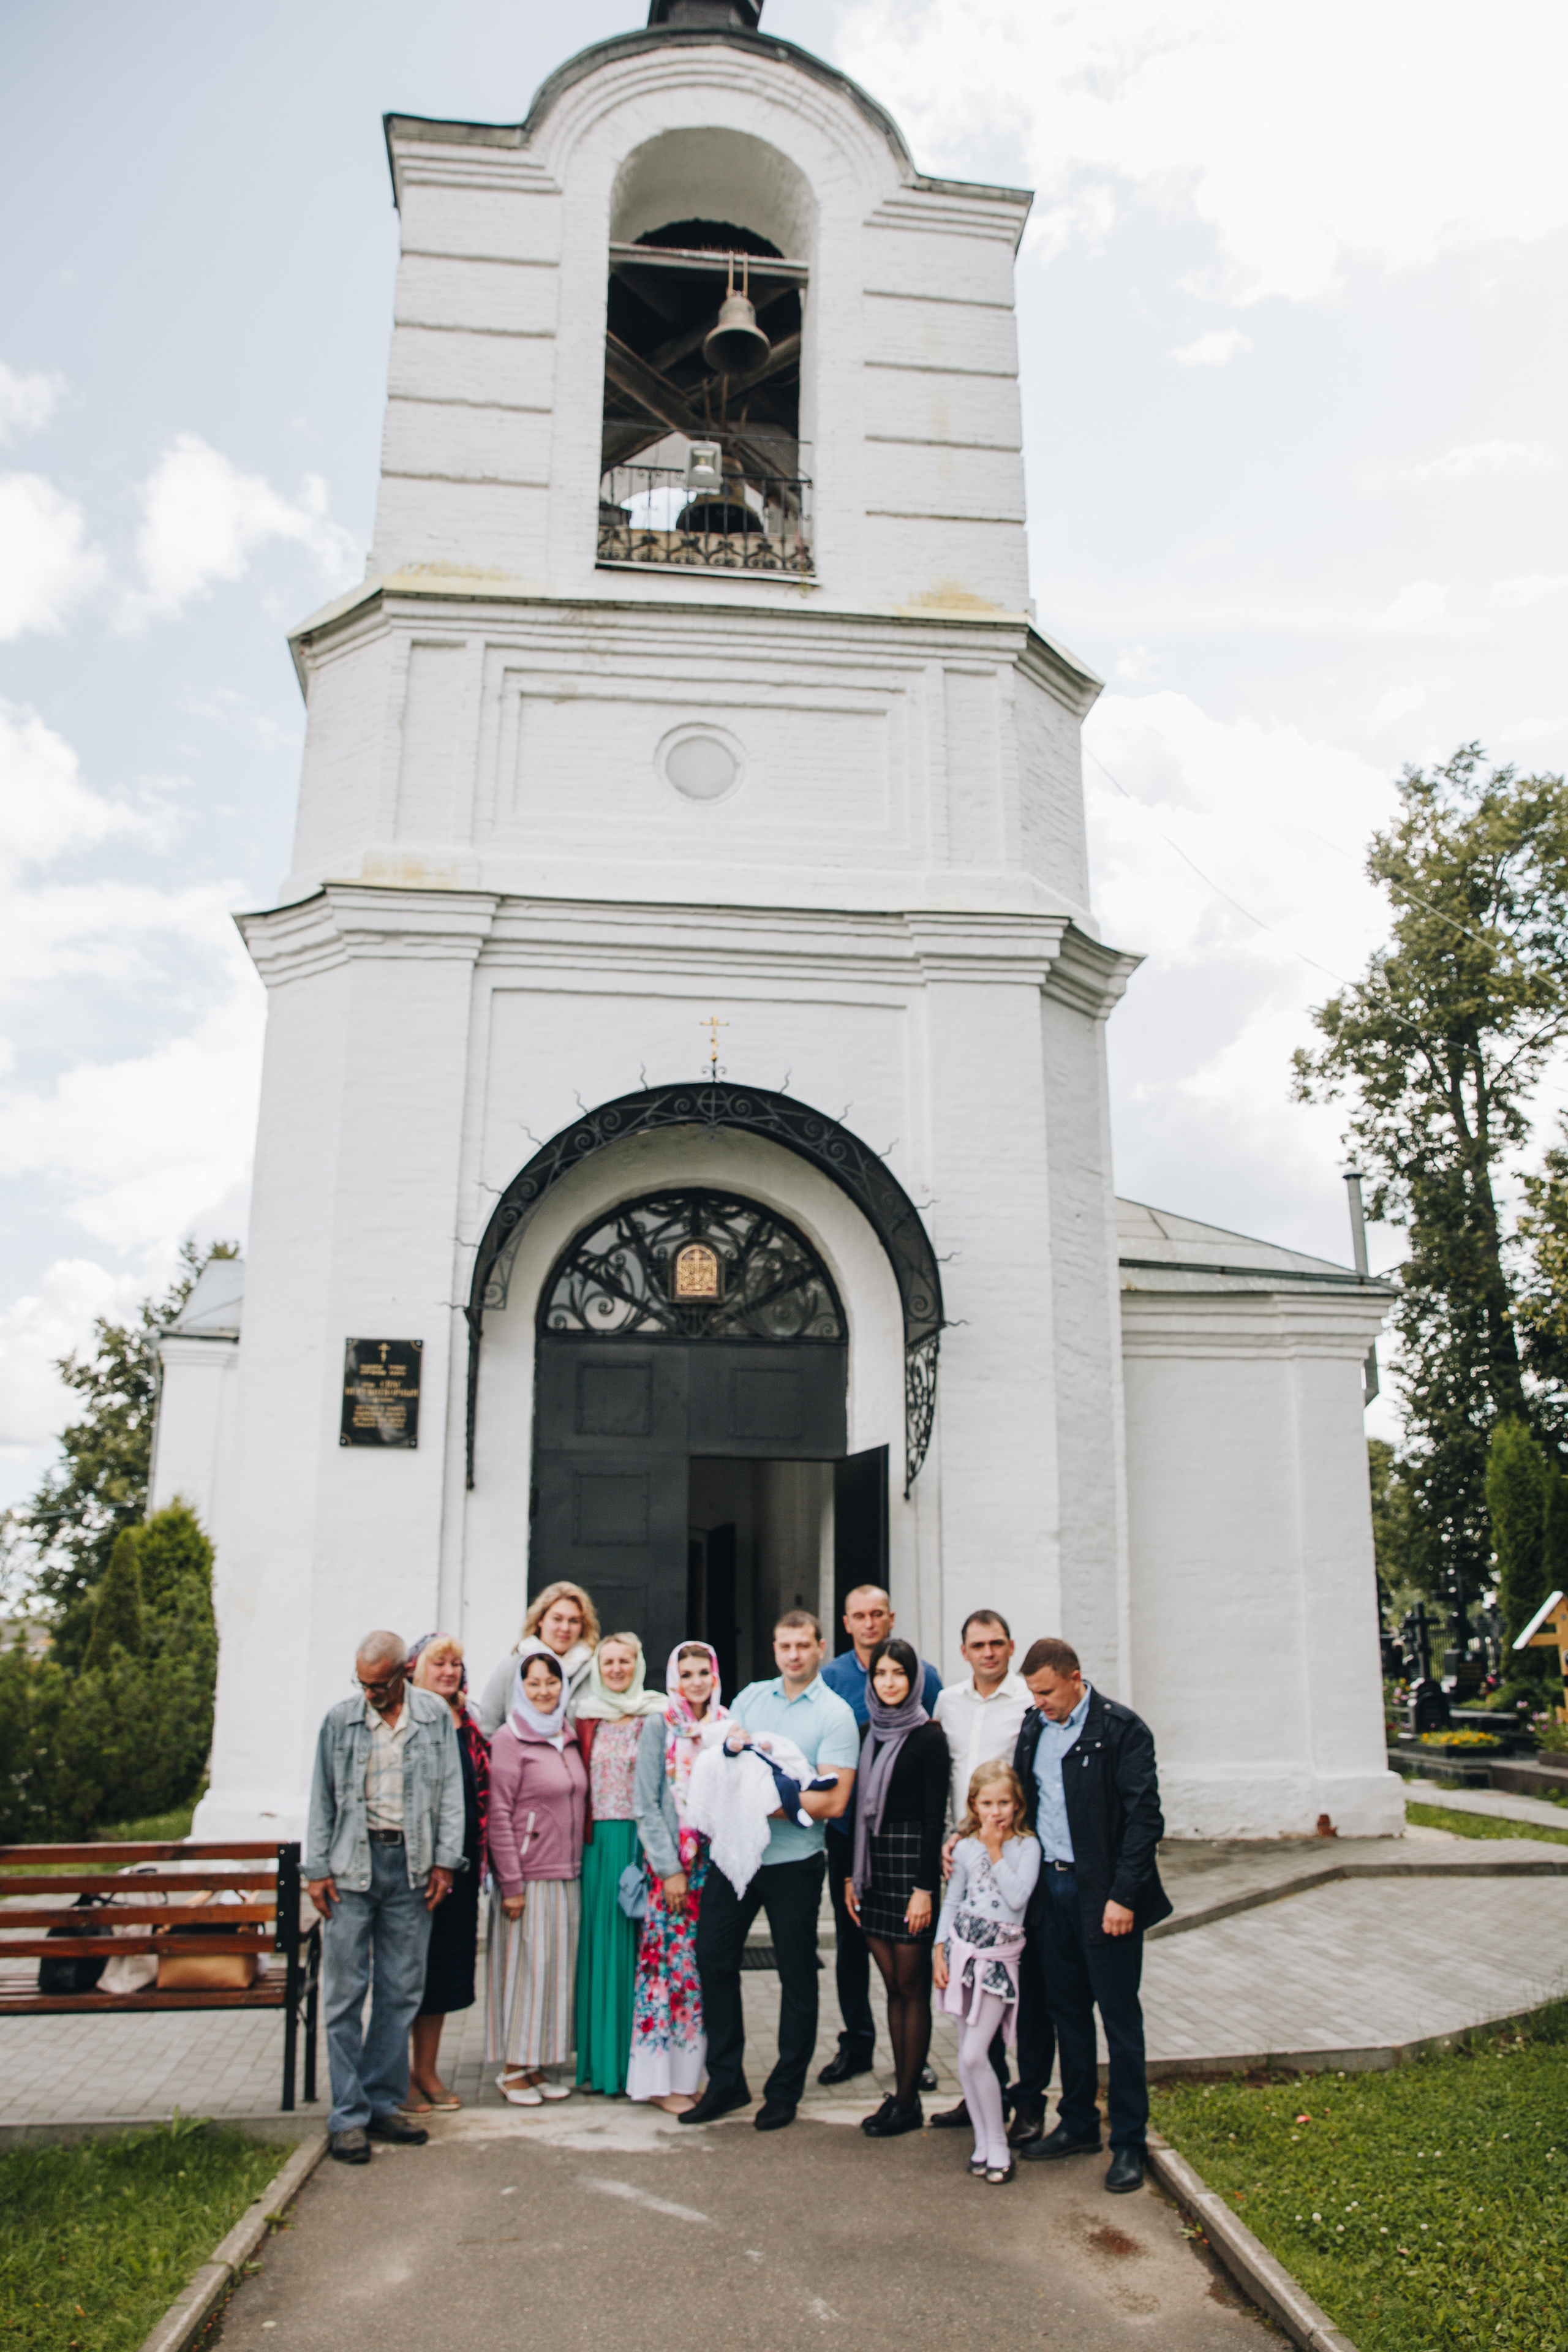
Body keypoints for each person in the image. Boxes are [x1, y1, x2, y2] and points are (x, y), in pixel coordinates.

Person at [682, 1610, 859, 2132]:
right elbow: (726, 1762)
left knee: (797, 1975)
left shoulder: (835, 1715)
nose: (794, 1655)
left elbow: (834, 1801)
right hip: (737, 1855)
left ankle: (784, 2090)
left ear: (821, 1647)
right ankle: (726, 2082)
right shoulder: (751, 1698)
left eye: (803, 1645)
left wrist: (759, 1802)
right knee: (712, 1957)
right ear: (775, 1648)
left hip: (794, 1864)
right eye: (785, 1646)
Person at [1012, 1637, 1171, 2194]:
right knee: (1067, 2014)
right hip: (1049, 1891)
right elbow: (1023, 1802)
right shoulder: (1033, 1728)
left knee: (1120, 2021)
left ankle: (1129, 2142)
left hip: (1103, 1897)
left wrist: (1124, 1896)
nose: (1039, 1703)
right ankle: (1078, 2123)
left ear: (1075, 1679)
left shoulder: (1122, 1729)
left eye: (1047, 1692)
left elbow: (1144, 1819)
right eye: (1033, 1694)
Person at [304, 1628, 464, 2166]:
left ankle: (380, 2102)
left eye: (378, 1685)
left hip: (412, 1867)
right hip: (352, 1866)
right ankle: (347, 2116)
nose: (369, 1693)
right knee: (345, 1995)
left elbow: (451, 1793)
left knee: (400, 1991)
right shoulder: (340, 1721)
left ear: (402, 1675)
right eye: (363, 1684)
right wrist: (317, 1870)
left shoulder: (433, 1717)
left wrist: (446, 1861)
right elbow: (322, 1799)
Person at [929, 1610, 1052, 2144]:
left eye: (997, 1643)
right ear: (964, 1652)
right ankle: (984, 2093)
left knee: (1024, 1992)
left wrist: (1011, 1843)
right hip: (965, 1850)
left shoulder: (1028, 1702)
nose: (988, 1653)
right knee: (976, 1988)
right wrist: (951, 1837)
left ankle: (1029, 2102)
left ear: (1011, 1646)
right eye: (978, 1645)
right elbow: (950, 1777)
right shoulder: (947, 1702)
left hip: (1015, 1852)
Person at [818, 1585, 942, 2089]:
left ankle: (914, 2059)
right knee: (852, 1946)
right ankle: (858, 2043)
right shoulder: (832, 1677)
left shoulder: (924, 1674)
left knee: (909, 1967)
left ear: (890, 1618)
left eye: (877, 1614)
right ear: (846, 1623)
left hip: (906, 1844)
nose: (869, 1623)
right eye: (859, 1616)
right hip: (852, 1838)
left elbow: (929, 1748)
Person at [844, 1636, 949, 2137]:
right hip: (872, 1869)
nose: (889, 1682)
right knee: (892, 1988)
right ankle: (902, 2097)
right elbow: (854, 1812)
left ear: (915, 1680)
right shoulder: (868, 1732)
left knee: (912, 1987)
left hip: (911, 1870)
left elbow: (934, 1819)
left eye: (899, 1674)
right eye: (881, 1673)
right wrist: (851, 1875)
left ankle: (907, 2102)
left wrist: (925, 1888)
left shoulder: (928, 1737)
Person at [486, 1648, 589, 2104]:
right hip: (528, 1878)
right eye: (534, 1684)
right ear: (520, 1688)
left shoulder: (567, 1735)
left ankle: (537, 2066)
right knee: (524, 1972)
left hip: (567, 1873)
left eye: (552, 1682)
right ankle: (512, 2070)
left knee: (554, 1974)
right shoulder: (510, 1739)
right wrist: (511, 1884)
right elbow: (499, 1813)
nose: (544, 1691)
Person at [628, 1641, 726, 2112]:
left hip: (713, 1871)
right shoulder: (659, 1725)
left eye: (703, 1673)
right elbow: (645, 1803)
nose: (695, 1682)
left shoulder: (724, 1726)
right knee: (668, 1973)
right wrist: (669, 1870)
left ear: (715, 1676)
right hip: (671, 1872)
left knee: (699, 1975)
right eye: (686, 1674)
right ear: (674, 1679)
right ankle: (660, 2084)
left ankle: (689, 2077)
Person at [934, 1760, 1041, 2185]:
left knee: (976, 2054)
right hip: (961, 1953)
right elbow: (952, 1900)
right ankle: (981, 2141)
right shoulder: (963, 1848)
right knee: (965, 2056)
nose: (996, 1813)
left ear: (1017, 1805)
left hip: (997, 1960)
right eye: (987, 1804)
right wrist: (939, 1951)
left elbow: (1017, 1899)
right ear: (974, 1806)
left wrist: (996, 1850)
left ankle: (998, 2141)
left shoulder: (1026, 1847)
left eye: (1004, 1803)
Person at [573, 1631, 665, 2095]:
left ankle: (643, 2066)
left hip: (643, 1843)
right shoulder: (584, 1717)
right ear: (597, 1668)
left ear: (638, 1664)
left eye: (624, 1661)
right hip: (599, 1847)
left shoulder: (658, 1714)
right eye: (607, 1662)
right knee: (602, 1950)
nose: (616, 1669)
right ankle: (603, 2065)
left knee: (642, 1951)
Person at [405, 1632, 491, 2112]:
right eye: (439, 1663)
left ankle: (426, 2070)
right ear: (416, 1670)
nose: (449, 1671)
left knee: (442, 1973)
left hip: (462, 1868)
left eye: (455, 1664)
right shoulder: (408, 1720)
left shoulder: (467, 1719)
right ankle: (395, 2075)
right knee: (406, 1972)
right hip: (418, 1869)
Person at [474, 1581, 600, 1736]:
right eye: (557, 1619)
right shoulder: (512, 1668)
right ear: (540, 1620)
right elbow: (486, 1730)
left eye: (574, 1621)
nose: (565, 1628)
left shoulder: (595, 1671)